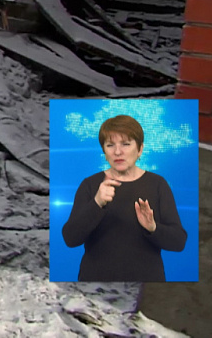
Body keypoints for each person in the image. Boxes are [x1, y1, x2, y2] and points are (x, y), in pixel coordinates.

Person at [61, 114, 187, 281]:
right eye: (110, 145)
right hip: (95, 284)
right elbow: (70, 239)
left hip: (146, 285)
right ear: (104, 152)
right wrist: (97, 203)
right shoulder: (90, 185)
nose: (118, 152)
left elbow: (179, 242)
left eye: (126, 144)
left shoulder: (158, 184)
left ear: (140, 149)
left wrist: (153, 228)